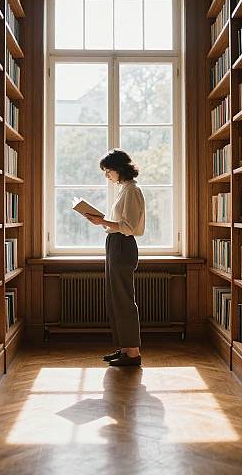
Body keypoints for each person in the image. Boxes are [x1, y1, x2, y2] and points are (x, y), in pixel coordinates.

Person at [85, 149, 146, 367]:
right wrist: (103, 221)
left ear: (119, 169)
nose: (106, 175)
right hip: (115, 244)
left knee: (123, 299)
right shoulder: (123, 190)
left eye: (107, 171)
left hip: (122, 245)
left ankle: (133, 353)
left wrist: (101, 221)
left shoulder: (132, 191)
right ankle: (125, 348)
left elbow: (130, 228)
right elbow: (120, 223)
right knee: (114, 299)